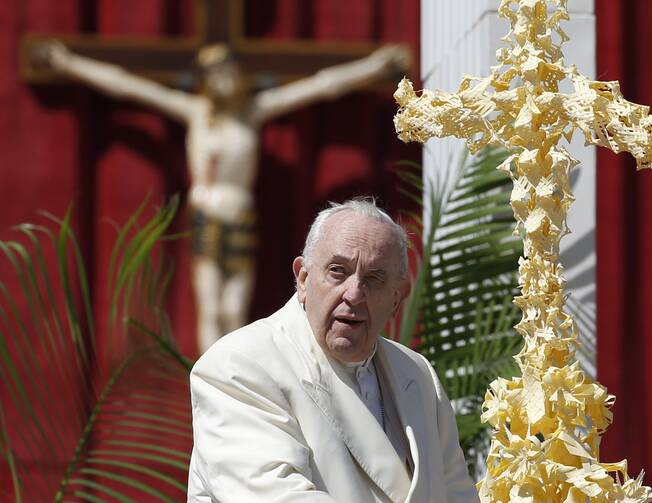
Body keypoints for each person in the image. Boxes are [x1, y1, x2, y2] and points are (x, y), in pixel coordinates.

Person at [38, 41, 409, 354]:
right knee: (211, 307)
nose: (226, 82)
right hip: (207, 216)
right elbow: (128, 87)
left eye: (231, 74)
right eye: (217, 76)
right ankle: (207, 384)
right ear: (207, 82)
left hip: (239, 216)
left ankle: (233, 380)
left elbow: (320, 85)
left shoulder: (253, 112)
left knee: (234, 309)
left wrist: (372, 67)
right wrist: (69, 63)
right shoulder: (197, 113)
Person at [187, 198, 478, 502]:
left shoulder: (417, 374)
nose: (353, 294)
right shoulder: (240, 365)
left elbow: (457, 493)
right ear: (303, 278)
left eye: (374, 278)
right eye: (338, 271)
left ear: (396, 299)